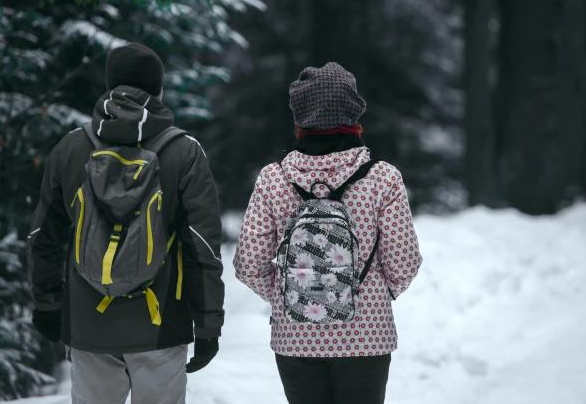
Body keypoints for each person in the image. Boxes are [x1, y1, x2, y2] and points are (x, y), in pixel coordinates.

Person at [28, 43, 224, 404]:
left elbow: (44, 237)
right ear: (159, 88)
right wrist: (208, 323)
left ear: (109, 85)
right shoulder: (185, 151)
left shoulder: (71, 148)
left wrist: (47, 303)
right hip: (161, 325)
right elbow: (202, 246)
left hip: (89, 325)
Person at [234, 62, 423, 404]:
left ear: (299, 118)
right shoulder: (383, 178)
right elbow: (404, 261)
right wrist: (374, 294)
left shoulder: (273, 178)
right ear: (353, 113)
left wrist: (290, 295)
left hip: (295, 336)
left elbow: (249, 264)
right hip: (366, 336)